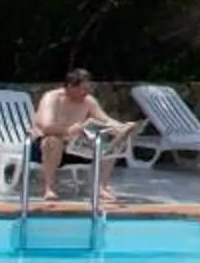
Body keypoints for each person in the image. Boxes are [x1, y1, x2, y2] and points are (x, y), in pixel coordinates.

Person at [32, 69, 138, 205]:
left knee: (110, 139)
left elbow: (105, 120)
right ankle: (50, 187)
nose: (87, 92)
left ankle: (102, 186)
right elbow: (46, 127)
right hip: (44, 148)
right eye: (83, 89)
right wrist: (69, 130)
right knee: (53, 140)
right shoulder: (52, 98)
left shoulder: (88, 100)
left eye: (88, 88)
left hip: (74, 148)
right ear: (70, 86)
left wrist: (122, 127)